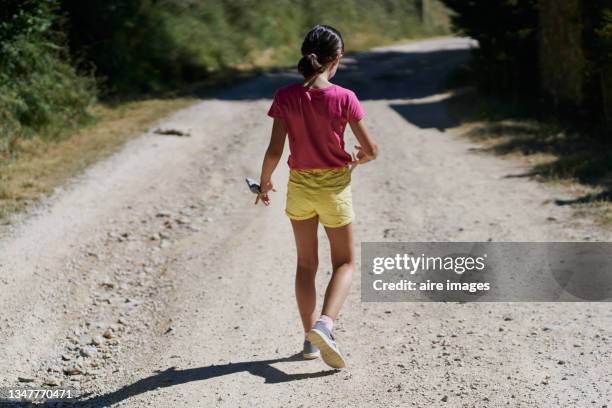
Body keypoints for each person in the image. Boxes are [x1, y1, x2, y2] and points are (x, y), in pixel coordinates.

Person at [255, 24, 379, 369]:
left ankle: (310, 341)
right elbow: (371, 149)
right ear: (336, 59)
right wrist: (360, 157)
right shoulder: (344, 98)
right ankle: (325, 325)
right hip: (334, 189)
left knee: (306, 264)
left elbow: (274, 150)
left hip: (299, 188)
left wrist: (265, 184)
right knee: (345, 263)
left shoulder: (285, 97)